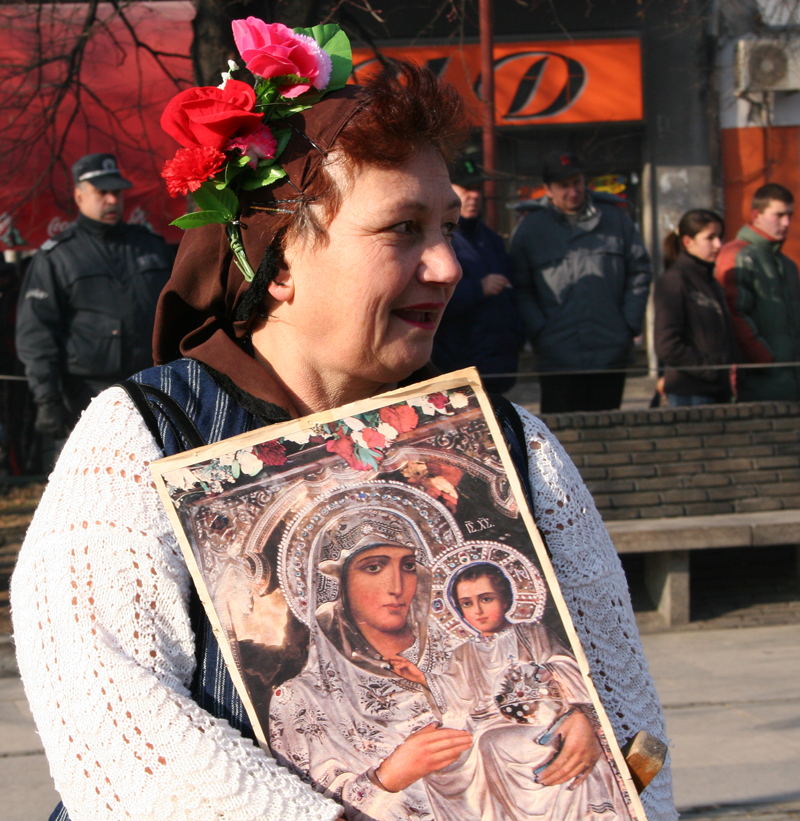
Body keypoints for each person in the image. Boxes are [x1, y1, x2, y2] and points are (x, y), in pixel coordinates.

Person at [11, 23, 675, 821]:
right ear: (283, 258)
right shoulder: (143, 439)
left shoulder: (516, 449)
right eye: (403, 229)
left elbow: (620, 699)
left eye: (449, 226)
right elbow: (113, 717)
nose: (448, 265)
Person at [421, 562, 630, 821]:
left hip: (540, 720)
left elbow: (566, 666)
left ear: (506, 598)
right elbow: (457, 697)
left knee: (493, 743)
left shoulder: (530, 633)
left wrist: (548, 672)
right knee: (439, 766)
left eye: (486, 599)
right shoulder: (462, 653)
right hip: (484, 724)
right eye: (466, 603)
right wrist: (420, 678)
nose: (477, 611)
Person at [15, 153, 173, 444]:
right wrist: (46, 400)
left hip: (154, 386)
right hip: (89, 394)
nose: (112, 200)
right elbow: (36, 335)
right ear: (79, 196)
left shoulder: (148, 245)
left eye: (116, 192)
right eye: (102, 192)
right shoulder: (58, 256)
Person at [510, 152, 652, 413]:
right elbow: (521, 287)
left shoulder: (616, 220)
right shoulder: (531, 229)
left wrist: (629, 324)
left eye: (577, 182)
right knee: (562, 438)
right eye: (564, 186)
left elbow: (639, 271)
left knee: (607, 431)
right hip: (556, 353)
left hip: (610, 348)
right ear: (549, 190)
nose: (573, 191)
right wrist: (539, 330)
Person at [431, 158, 524, 392]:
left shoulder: (491, 239)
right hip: (459, 365)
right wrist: (478, 288)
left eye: (478, 189)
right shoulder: (437, 238)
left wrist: (516, 336)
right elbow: (432, 295)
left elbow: (513, 292)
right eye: (467, 188)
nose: (474, 195)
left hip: (499, 363)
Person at [714, 182, 800, 401]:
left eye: (790, 215)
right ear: (756, 215)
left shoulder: (787, 265)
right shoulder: (738, 255)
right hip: (759, 381)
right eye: (778, 215)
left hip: (789, 378)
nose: (786, 222)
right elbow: (734, 314)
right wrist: (763, 359)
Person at [653, 210, 738, 407]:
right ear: (687, 241)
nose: (719, 245)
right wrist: (711, 370)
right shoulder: (675, 281)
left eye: (720, 237)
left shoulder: (711, 282)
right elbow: (667, 345)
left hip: (718, 390)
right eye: (710, 238)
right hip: (690, 393)